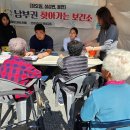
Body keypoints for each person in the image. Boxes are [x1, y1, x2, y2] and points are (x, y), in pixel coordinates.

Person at [80, 49, 130, 130]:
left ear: (108, 73)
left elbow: (85, 117)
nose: (101, 68)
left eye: (103, 66)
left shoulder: (97, 95)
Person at [57, 40, 88, 105]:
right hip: (82, 86)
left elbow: (59, 64)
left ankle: (61, 100)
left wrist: (60, 58)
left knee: (58, 78)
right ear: (81, 50)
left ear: (68, 50)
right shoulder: (85, 59)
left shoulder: (65, 60)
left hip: (69, 87)